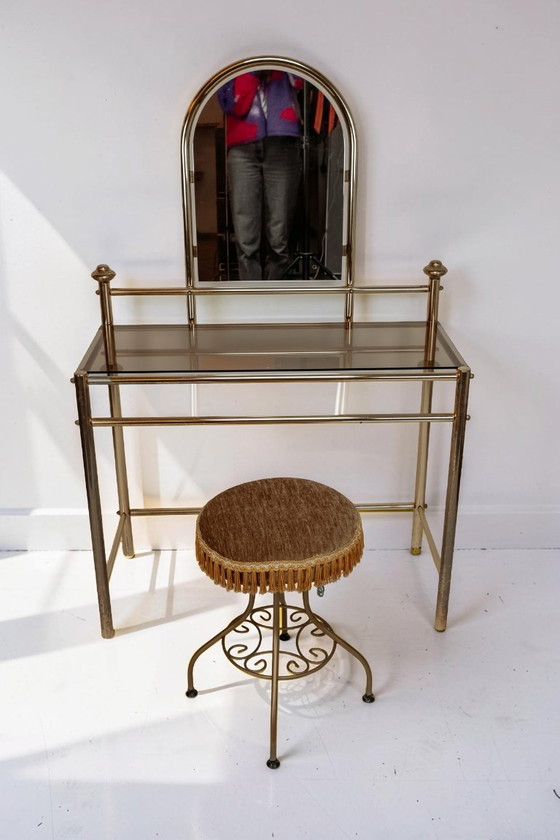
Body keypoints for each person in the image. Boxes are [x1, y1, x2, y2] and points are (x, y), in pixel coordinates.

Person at [218, 71, 303, 281]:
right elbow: (230, 103)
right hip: (242, 146)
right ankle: (250, 302)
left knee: (279, 238)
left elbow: (302, 81)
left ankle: (276, 303)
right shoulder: (231, 57)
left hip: (283, 141)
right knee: (246, 240)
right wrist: (253, 71)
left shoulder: (284, 52)